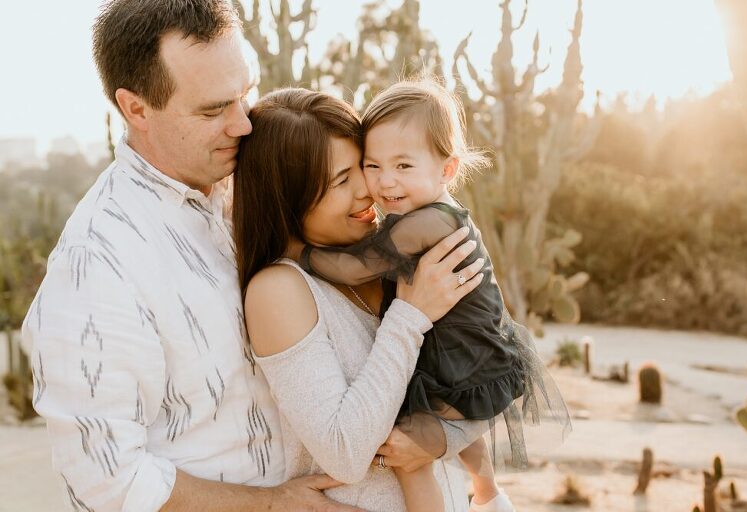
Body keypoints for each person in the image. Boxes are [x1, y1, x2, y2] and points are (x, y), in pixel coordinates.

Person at [20, 1, 467, 510]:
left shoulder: (257, 195)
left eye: (244, 95)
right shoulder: (99, 262)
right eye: (213, 110)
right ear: (136, 108)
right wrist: (270, 504)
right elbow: (104, 478)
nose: (243, 124)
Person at [298, 79, 572, 512]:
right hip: (470, 356)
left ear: (446, 170)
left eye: (403, 166)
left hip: (462, 365)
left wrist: (300, 252)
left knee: (408, 453)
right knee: (453, 434)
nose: (385, 182)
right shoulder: (435, 212)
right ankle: (489, 495)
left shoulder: (425, 224)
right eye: (373, 165)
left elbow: (355, 266)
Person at [234, 87, 490, 511]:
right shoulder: (279, 289)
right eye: (340, 180)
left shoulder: (391, 257)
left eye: (363, 167)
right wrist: (410, 316)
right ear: (288, 198)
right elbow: (345, 452)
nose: (369, 191)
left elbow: (482, 374)